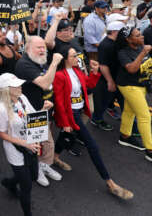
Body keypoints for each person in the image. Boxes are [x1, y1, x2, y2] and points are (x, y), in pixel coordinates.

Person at [53, 45, 133, 200]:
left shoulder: (77, 71)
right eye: (73, 56)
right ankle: (110, 183)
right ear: (65, 59)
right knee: (92, 146)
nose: (77, 58)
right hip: (70, 115)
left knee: (65, 136)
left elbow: (88, 86)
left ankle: (55, 157)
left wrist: (94, 72)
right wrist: (65, 122)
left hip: (79, 111)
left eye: (76, 55)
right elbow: (59, 102)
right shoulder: (60, 76)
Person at [15, 36, 63, 186]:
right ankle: (37, 171)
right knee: (36, 144)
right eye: (38, 47)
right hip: (32, 112)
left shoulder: (39, 60)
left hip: (44, 108)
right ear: (28, 48)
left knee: (45, 142)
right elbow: (44, 83)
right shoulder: (24, 64)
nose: (43, 50)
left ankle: (42, 166)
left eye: (43, 47)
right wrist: (55, 62)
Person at [0, 73, 40, 216]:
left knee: (33, 175)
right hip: (16, 150)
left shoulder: (22, 98)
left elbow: (32, 117)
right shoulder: (1, 109)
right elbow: (1, 133)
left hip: (31, 145)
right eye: (16, 85)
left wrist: (43, 108)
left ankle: (10, 182)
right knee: (26, 186)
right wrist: (24, 143)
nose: (20, 86)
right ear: (6, 89)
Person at [115, 26, 152, 161]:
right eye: (137, 35)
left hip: (141, 84)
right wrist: (143, 53)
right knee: (144, 116)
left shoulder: (142, 47)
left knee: (130, 111)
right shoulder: (123, 52)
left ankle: (125, 136)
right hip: (129, 85)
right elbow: (131, 69)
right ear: (129, 40)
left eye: (140, 34)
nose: (141, 36)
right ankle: (150, 150)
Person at [91, 21, 125, 130]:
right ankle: (97, 120)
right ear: (115, 32)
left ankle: (130, 124)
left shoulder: (116, 42)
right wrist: (110, 81)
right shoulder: (105, 45)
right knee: (102, 102)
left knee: (121, 101)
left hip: (117, 78)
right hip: (106, 80)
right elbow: (103, 66)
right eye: (122, 31)